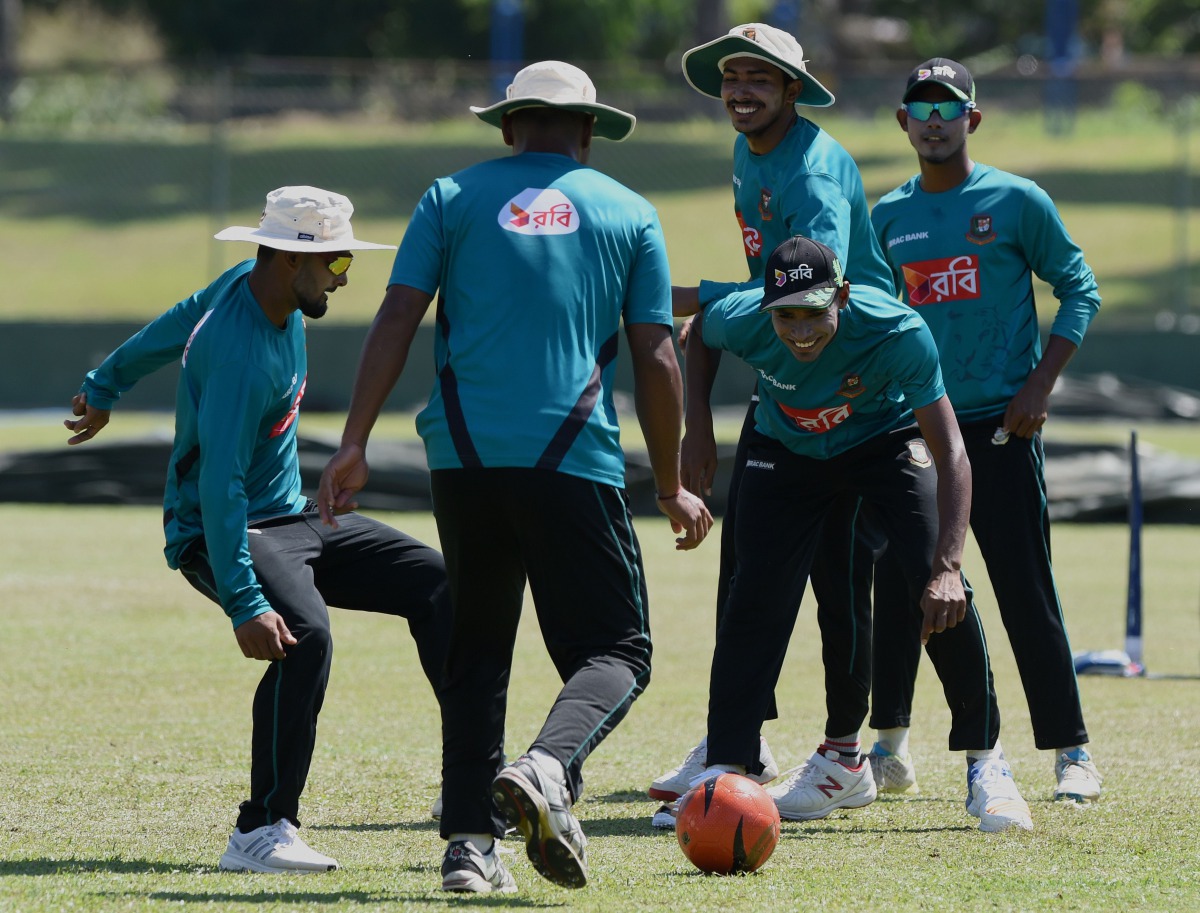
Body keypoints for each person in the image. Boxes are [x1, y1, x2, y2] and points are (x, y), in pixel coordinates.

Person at [316, 61, 712, 894]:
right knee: (617, 649)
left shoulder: (449, 197)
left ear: (507, 127)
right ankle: (547, 766)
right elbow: (657, 355)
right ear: (590, 132)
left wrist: (353, 441)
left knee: (477, 650)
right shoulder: (630, 212)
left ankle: (469, 844)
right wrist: (672, 481)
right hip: (570, 459)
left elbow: (397, 315)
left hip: (461, 459)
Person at [64, 186, 452, 873]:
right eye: (333, 263)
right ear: (285, 259)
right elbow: (219, 486)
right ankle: (260, 829)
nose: (342, 276)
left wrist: (102, 385)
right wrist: (246, 603)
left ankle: (470, 784)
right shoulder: (239, 353)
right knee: (304, 637)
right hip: (222, 526)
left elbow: (173, 322)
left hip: (292, 515)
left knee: (435, 582)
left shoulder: (258, 289)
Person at [686, 233, 1033, 833]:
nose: (799, 332)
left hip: (883, 439)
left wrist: (949, 566)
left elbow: (951, 451)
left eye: (814, 314)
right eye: (785, 316)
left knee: (936, 583)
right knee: (753, 600)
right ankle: (723, 773)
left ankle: (987, 766)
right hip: (786, 448)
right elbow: (696, 337)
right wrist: (696, 429)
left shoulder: (896, 332)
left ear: (842, 297)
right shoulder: (742, 319)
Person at [649, 21, 897, 818]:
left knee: (850, 580)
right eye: (732, 78)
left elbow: (806, 291)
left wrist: (700, 298)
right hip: (789, 378)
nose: (741, 90)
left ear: (795, 88)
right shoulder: (746, 149)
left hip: (856, 390)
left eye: (760, 78)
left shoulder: (816, 176)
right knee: (748, 572)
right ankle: (739, 741)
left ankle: (853, 754)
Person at [868, 58, 1103, 802]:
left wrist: (1040, 383)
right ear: (902, 122)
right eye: (920, 106)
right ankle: (889, 746)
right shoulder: (887, 217)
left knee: (1023, 587)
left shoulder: (1016, 200)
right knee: (906, 582)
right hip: (914, 432)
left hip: (1001, 426)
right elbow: (872, 320)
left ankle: (1072, 752)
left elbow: (1080, 289)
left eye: (949, 105)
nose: (934, 118)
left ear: (974, 118)